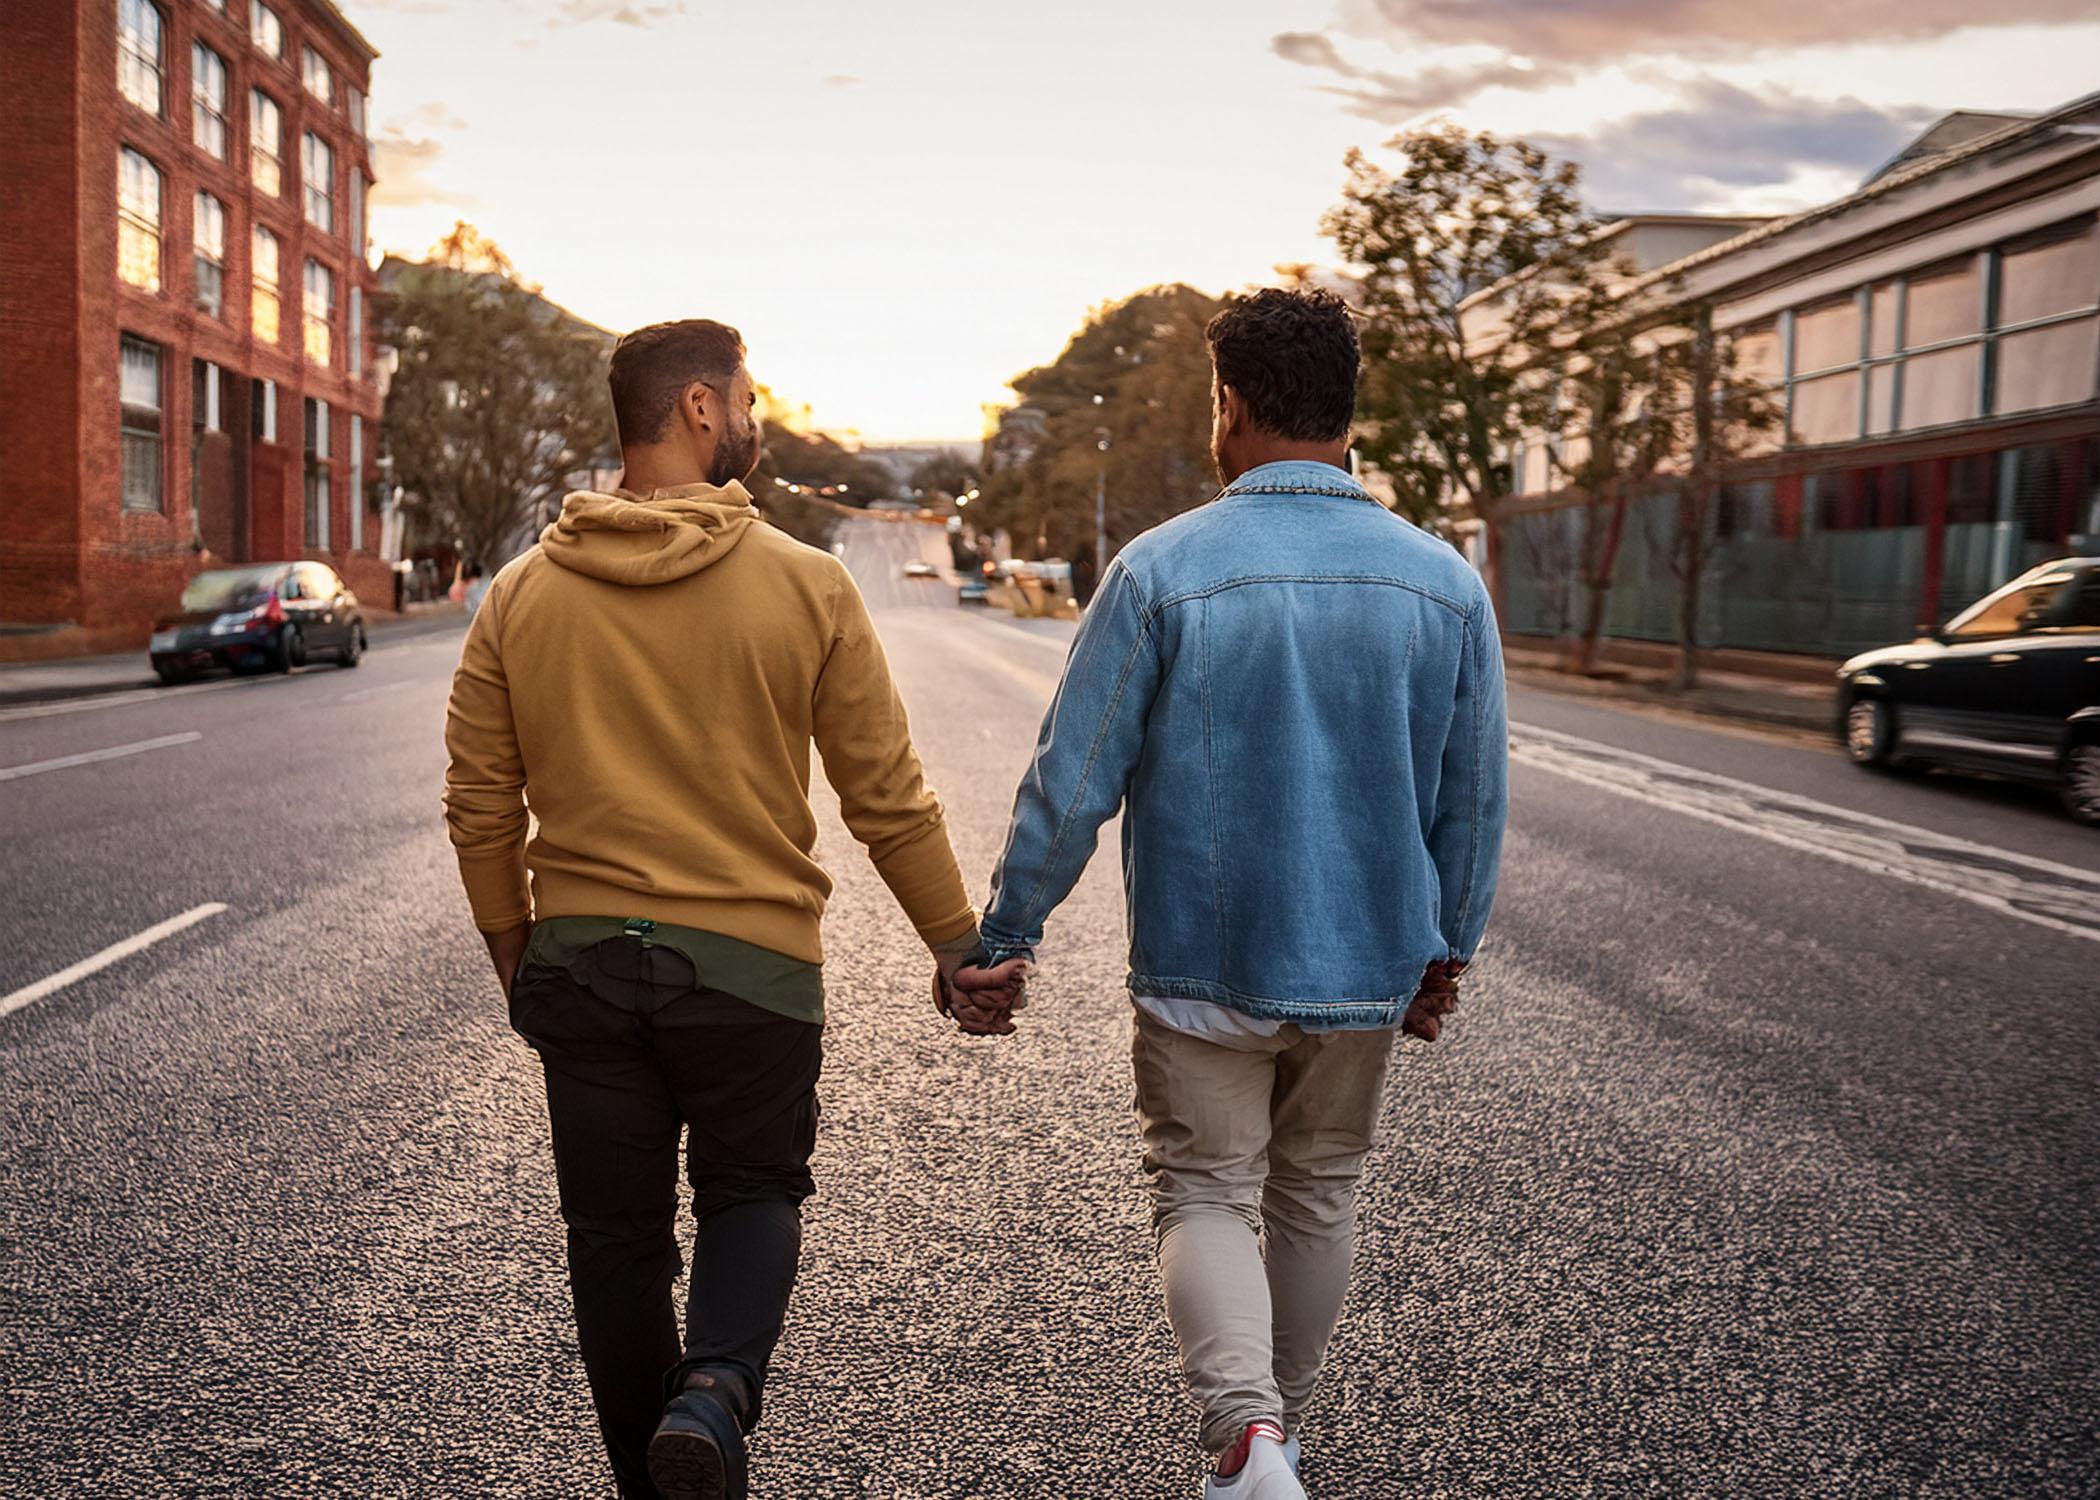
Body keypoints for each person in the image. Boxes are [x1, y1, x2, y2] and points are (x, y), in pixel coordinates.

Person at [441, 318, 1023, 1500]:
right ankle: (713, 1396)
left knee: (612, 1247)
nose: (754, 421)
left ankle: (652, 1485)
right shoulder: (806, 586)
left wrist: (520, 958)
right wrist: (961, 949)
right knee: (752, 1193)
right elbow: (886, 796)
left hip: (583, 967)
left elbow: (479, 806)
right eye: (747, 400)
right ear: (701, 409)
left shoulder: (519, 595)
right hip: (751, 971)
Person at [970, 288, 1508, 1498]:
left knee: (1204, 1185)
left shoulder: (1163, 571)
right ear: (1348, 412)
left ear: (1235, 405)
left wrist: (1004, 937)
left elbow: (1072, 780)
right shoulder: (1444, 584)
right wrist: (1445, 953)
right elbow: (1471, 804)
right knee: (1317, 1189)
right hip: (1368, 959)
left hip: (1204, 964)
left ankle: (1247, 1435)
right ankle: (1275, 1443)